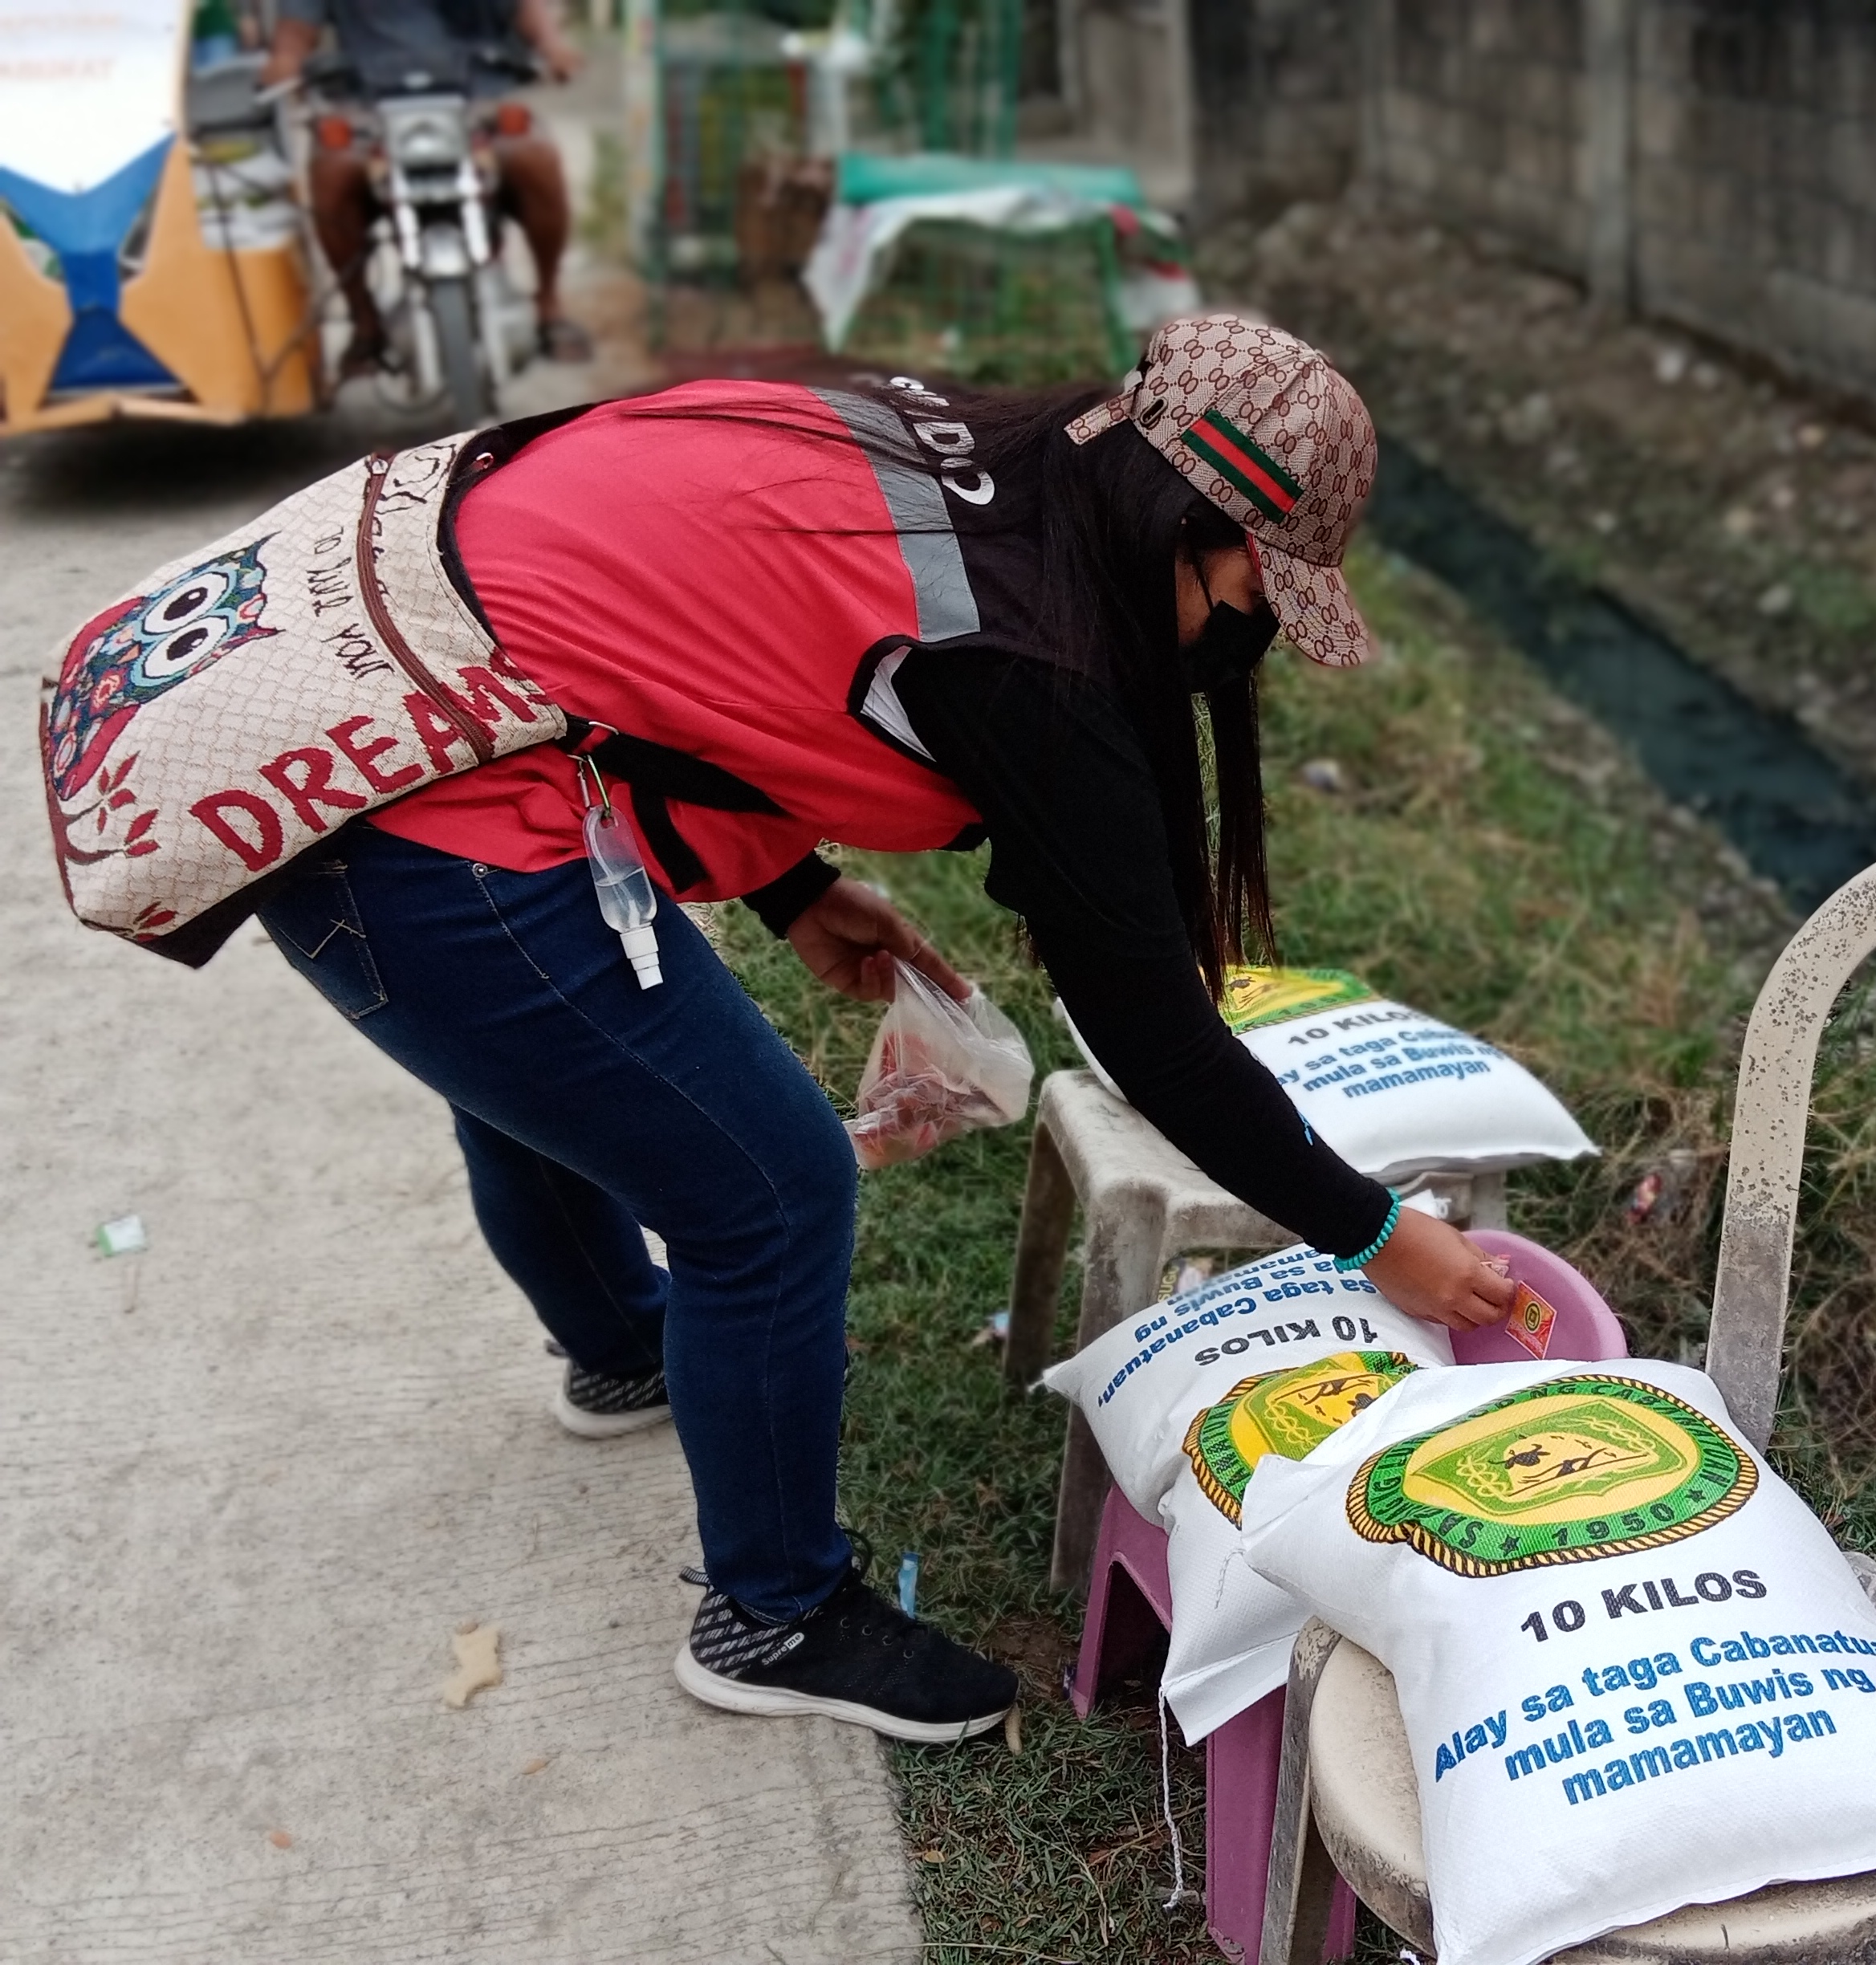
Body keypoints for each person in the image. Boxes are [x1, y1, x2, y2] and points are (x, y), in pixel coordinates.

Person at [239, 316, 1518, 1743]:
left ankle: (622, 1353)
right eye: (1254, 599)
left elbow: (697, 626)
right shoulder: (1037, 657)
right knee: (773, 1193)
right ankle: (772, 1615)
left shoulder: (986, 455)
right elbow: (1154, 1038)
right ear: (1187, 525)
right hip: (403, 790)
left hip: (375, 673)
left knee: (549, 1067)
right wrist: (1368, 1228)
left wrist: (785, 881)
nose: (1244, 638)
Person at [261, 0, 593, 377]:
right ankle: (365, 325)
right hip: (368, 105)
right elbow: (298, 26)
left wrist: (552, 46)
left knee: (536, 157)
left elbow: (525, 7)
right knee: (331, 171)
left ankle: (549, 305)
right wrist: (285, 61)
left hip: (477, 98)